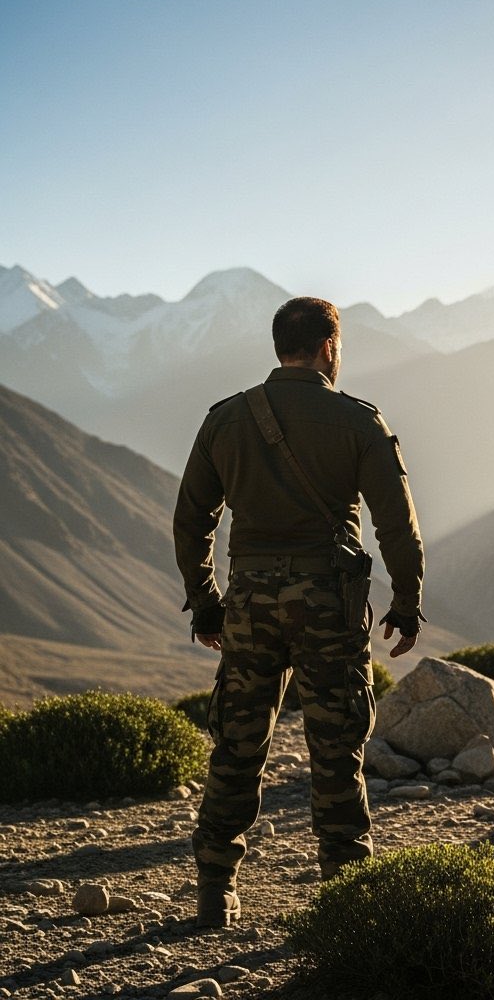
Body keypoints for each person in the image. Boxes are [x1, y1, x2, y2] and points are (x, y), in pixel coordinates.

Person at [173, 296, 425, 928]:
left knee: (237, 743)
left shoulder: (226, 420)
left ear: (279, 345)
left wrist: (205, 602)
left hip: (249, 602)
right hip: (328, 605)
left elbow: (192, 520)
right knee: (336, 747)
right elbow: (397, 525)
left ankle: (215, 888)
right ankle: (346, 896)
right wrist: (406, 603)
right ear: (328, 348)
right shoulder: (358, 422)